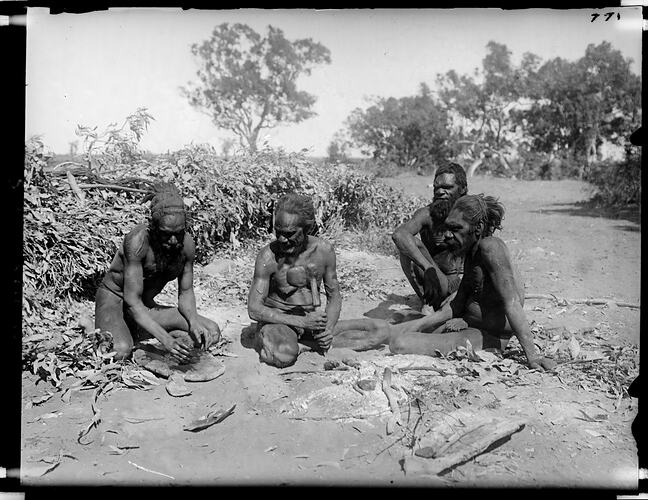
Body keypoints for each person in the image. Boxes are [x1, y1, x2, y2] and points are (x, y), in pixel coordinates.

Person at [389, 194, 556, 371]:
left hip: (488, 336)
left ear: (478, 228)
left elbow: (512, 303)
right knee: (401, 322)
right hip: (469, 326)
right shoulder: (471, 252)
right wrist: (418, 325)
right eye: (447, 228)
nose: (446, 235)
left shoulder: (491, 248)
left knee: (400, 343)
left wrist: (533, 357)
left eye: (455, 228)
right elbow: (457, 303)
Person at [94, 182, 220, 363]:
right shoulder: (137, 243)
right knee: (119, 353)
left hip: (144, 306)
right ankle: (96, 326)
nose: (174, 240)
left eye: (179, 232)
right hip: (116, 300)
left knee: (210, 332)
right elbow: (132, 303)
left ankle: (139, 330)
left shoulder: (187, 245)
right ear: (153, 227)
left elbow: (185, 292)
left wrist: (193, 321)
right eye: (166, 234)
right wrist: (166, 340)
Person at [392, 162, 468, 312]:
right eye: (436, 187)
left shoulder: (472, 215)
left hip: (467, 285)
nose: (440, 192)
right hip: (437, 283)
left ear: (463, 189)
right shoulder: (426, 214)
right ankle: (428, 302)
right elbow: (399, 235)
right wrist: (428, 269)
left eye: (447, 188)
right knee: (408, 244)